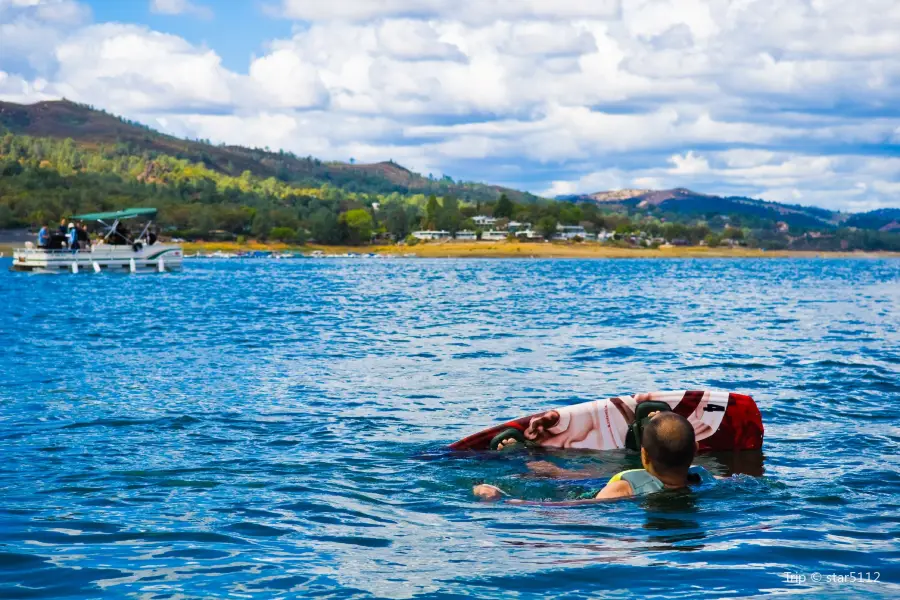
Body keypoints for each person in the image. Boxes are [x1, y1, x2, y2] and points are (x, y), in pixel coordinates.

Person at [473, 412, 715, 503]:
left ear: (644, 454)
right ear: (694, 449)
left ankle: (518, 454)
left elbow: (577, 507)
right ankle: (554, 471)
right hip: (607, 482)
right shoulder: (703, 478)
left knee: (558, 477)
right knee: (577, 476)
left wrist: (503, 499)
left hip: (584, 492)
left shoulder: (623, 489)